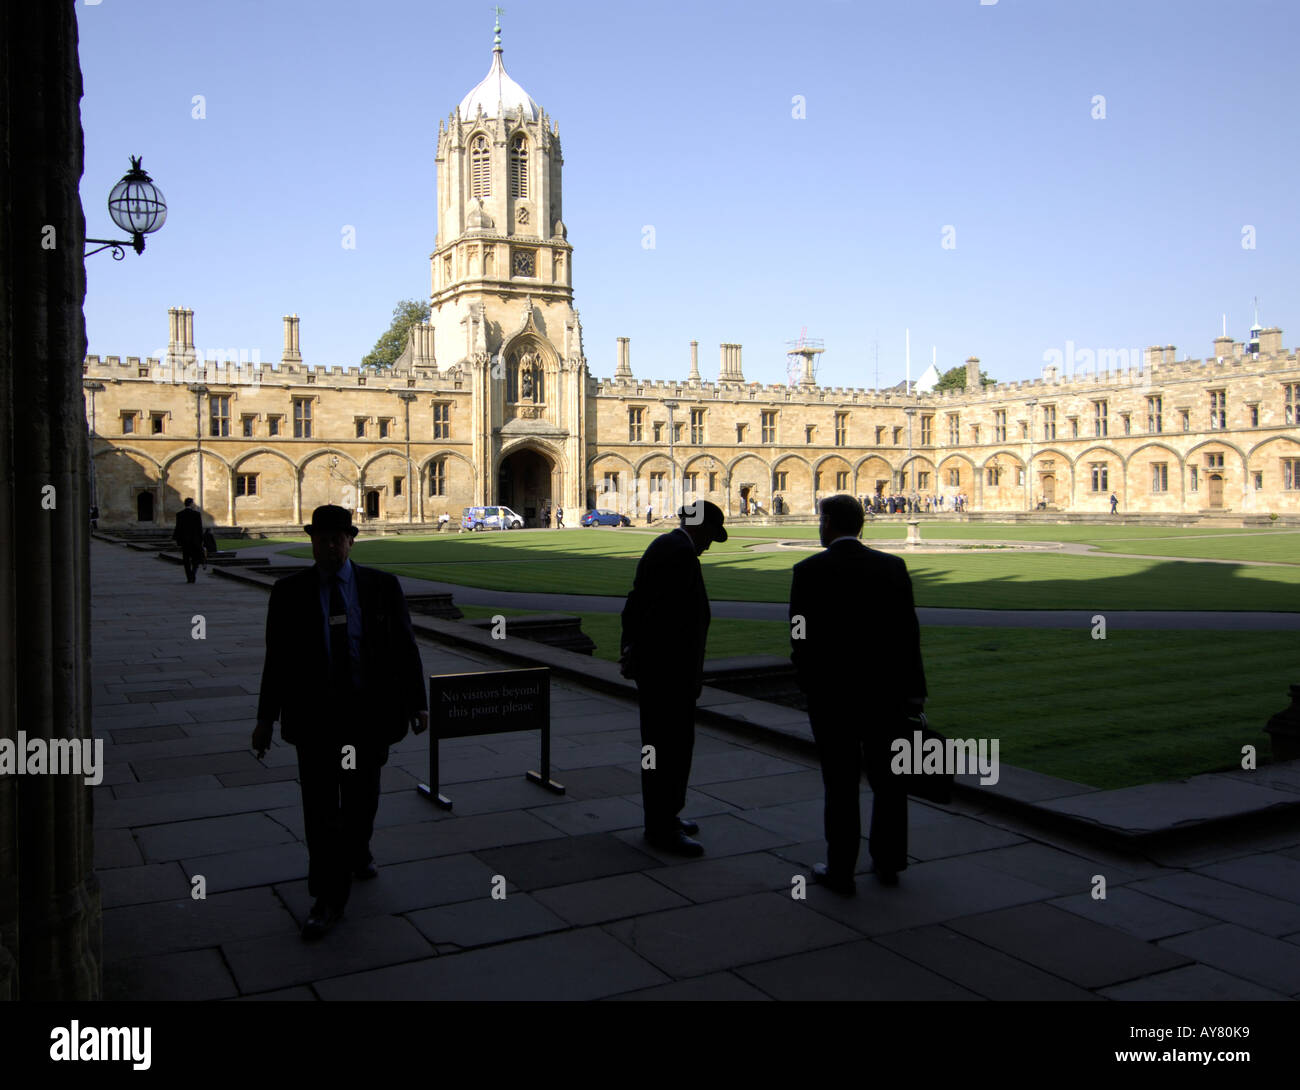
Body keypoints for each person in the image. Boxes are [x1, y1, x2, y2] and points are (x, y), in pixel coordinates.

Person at [252, 504, 429, 940]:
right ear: (312, 541)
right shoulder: (289, 592)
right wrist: (264, 720)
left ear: (351, 541)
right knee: (319, 808)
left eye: (337, 538)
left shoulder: (381, 587)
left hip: (367, 716)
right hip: (316, 719)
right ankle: (327, 897)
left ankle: (358, 849)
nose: (330, 546)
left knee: (362, 797)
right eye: (322, 538)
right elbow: (277, 660)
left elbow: (404, 648)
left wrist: (417, 703)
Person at [789, 494, 926, 896]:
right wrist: (915, 692)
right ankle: (888, 862)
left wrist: (806, 676)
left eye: (820, 520)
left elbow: (799, 633)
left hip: (832, 696)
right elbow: (908, 635)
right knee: (890, 784)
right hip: (885, 695)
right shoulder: (892, 567)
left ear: (828, 522)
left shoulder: (809, 570)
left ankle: (841, 871)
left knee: (841, 784)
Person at [619, 500, 728, 857]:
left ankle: (666, 815)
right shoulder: (678, 552)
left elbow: (635, 603)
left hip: (660, 670)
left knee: (663, 747)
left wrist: (630, 650)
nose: (711, 544)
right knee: (671, 749)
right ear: (699, 527)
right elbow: (670, 621)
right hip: (669, 673)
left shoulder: (669, 546)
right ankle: (662, 827)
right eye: (711, 534)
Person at [172, 497, 205, 583]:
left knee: (186, 560)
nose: (194, 504)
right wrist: (201, 540)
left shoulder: (180, 514)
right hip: (195, 541)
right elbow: (199, 529)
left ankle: (189, 577)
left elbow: (178, 528)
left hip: (185, 542)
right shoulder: (197, 514)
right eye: (193, 503)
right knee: (196, 559)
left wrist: (177, 540)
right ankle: (193, 574)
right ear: (191, 504)